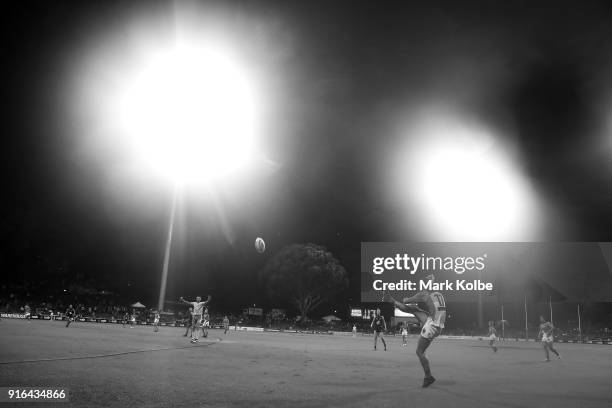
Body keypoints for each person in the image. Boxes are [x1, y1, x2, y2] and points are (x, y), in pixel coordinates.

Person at [388, 274, 446, 388]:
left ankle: (428, 376)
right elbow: (431, 297)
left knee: (419, 352)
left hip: (432, 325)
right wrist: (433, 280)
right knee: (414, 309)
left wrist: (407, 299)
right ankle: (393, 301)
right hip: (435, 322)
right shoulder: (439, 294)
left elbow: (417, 297)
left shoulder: (425, 293)